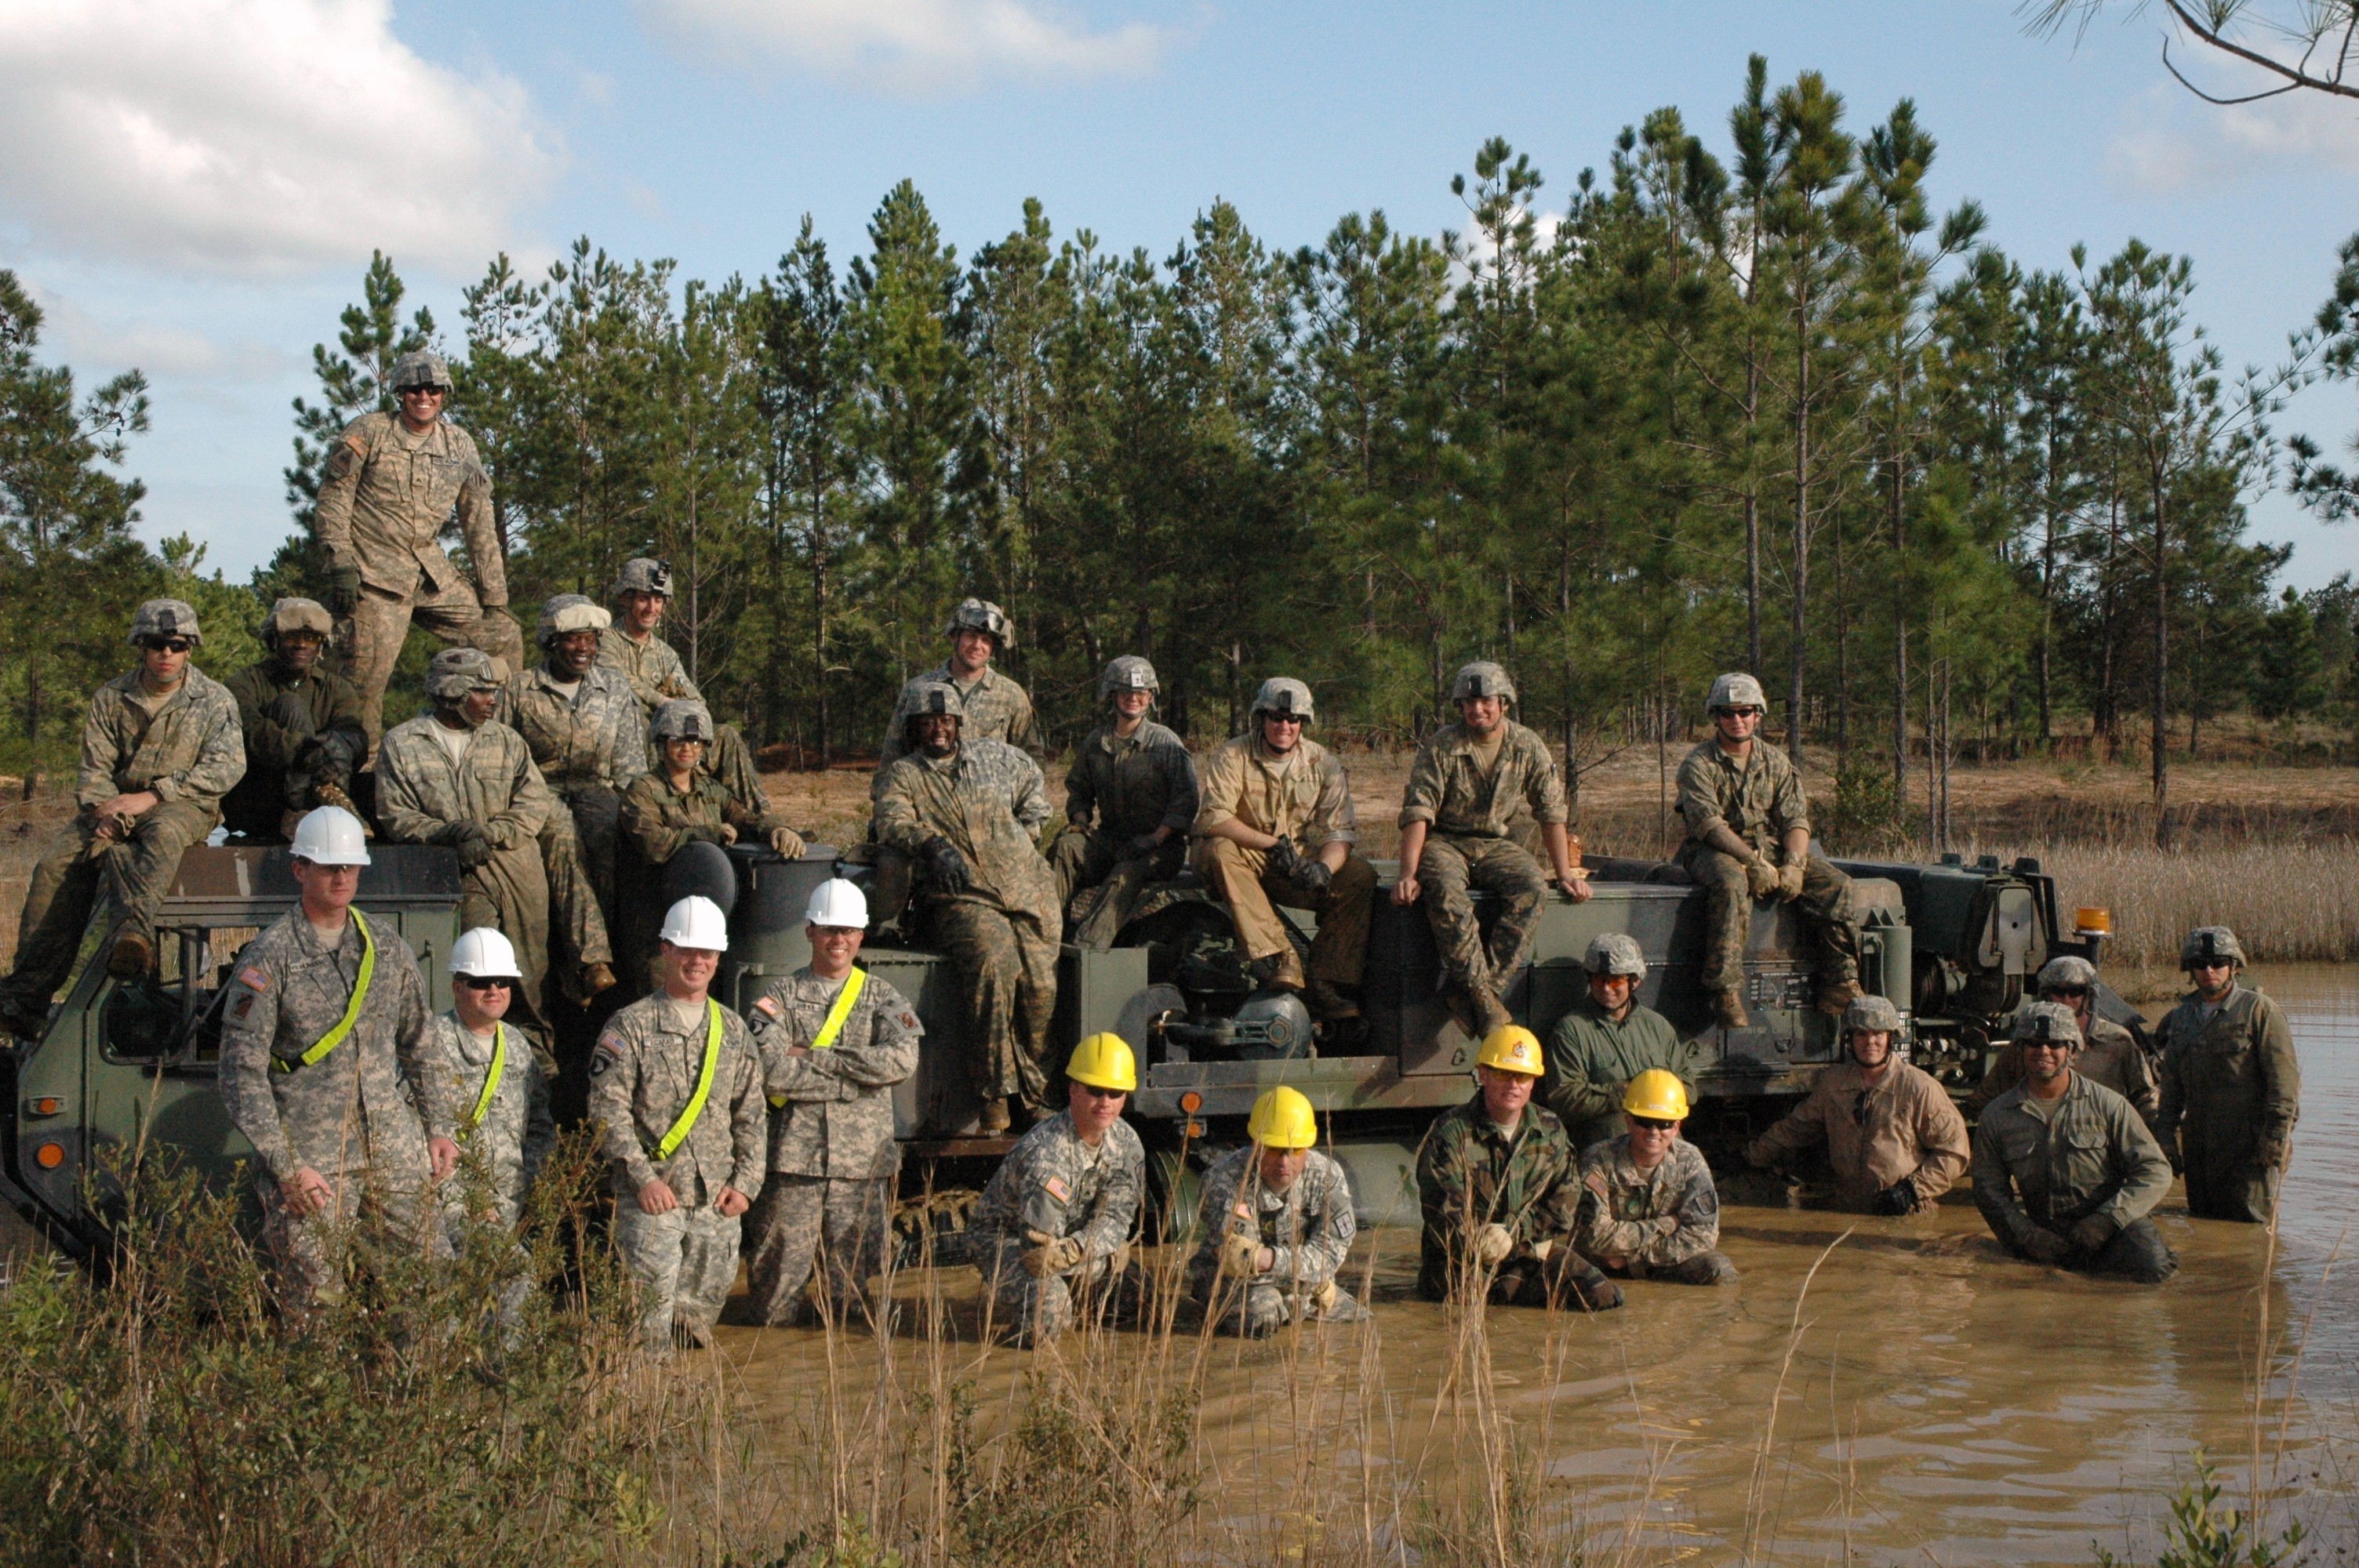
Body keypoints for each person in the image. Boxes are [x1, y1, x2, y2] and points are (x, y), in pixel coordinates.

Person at [215, 806, 456, 1311]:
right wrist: (286, 1167)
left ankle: (414, 1391)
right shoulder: (269, 959)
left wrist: (438, 1127)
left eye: (349, 865)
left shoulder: (386, 948)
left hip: (392, 1153)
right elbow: (242, 1075)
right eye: (328, 866)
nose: (341, 876)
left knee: (429, 1286)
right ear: (300, 869)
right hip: (313, 1166)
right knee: (316, 1304)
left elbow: (420, 1042)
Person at [0, 600, 245, 1036]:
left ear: (190, 649)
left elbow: (226, 768)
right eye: (156, 644)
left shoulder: (213, 700)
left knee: (164, 837)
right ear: (140, 647)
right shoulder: (112, 697)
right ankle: (27, 995)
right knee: (54, 866)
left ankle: (132, 939)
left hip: (182, 803)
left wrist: (154, 796)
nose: (166, 654)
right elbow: (94, 770)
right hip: (112, 806)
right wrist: (106, 812)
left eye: (176, 644)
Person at [376, 648, 616, 1051]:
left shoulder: (507, 741)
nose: (493, 701)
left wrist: (490, 833)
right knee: (481, 974)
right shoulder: (403, 743)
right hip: (456, 871)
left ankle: (539, 1071)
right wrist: (449, 833)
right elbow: (395, 815)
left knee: (530, 977)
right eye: (482, 692)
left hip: (516, 867)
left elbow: (532, 803)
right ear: (453, 692)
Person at [311, 348, 522, 758]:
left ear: (445, 394)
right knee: (363, 685)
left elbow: (478, 520)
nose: (423, 397)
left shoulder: (458, 444)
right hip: (373, 578)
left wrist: (494, 597)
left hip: (430, 577)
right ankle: (361, 773)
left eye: (433, 389)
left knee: (503, 636)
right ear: (399, 393)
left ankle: (495, 747)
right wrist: (339, 562)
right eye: (413, 389)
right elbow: (333, 501)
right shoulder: (368, 432)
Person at [872, 681, 1060, 1133]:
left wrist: (1029, 833)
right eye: (928, 723)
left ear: (958, 724)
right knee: (994, 966)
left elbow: (1036, 789)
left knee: (1040, 989)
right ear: (915, 729)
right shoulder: (906, 774)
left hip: (1027, 888)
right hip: (963, 894)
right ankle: (996, 1092)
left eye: (946, 721)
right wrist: (931, 843)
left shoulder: (995, 758)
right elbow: (891, 818)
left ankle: (1037, 1098)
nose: (938, 730)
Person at [589, 895, 767, 1352]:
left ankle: (687, 1420)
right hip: (653, 1207)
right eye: (686, 950)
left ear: (718, 958)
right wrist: (641, 1179)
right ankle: (642, 1418)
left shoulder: (732, 1031)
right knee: (645, 1338)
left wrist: (746, 1184)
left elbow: (751, 1114)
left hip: (716, 1209)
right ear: (666, 950)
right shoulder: (629, 1026)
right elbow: (607, 1112)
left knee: (695, 1335)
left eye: (706, 952)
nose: (697, 961)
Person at [743, 878, 921, 1328]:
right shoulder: (777, 998)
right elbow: (766, 1068)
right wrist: (857, 1079)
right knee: (773, 1303)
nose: (837, 940)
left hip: (860, 1168)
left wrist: (813, 1057)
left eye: (847, 931)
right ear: (810, 932)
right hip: (792, 1166)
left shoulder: (883, 997)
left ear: (861, 935)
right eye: (828, 929)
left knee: (850, 1308)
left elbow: (902, 1060)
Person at [1394, 662, 1590, 1035]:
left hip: (1496, 843)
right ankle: (1484, 1000)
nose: (1476, 709)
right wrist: (1408, 874)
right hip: (1446, 842)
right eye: (1468, 702)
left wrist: (1564, 873)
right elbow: (1418, 810)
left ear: (1503, 703)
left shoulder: (1527, 745)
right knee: (1448, 895)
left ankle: (1478, 994)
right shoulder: (1442, 746)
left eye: (1485, 701)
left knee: (1532, 886)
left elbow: (1551, 812)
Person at [1674, 672, 1863, 1029]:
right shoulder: (1698, 764)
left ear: (1758, 715)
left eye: (1745, 711)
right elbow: (1709, 825)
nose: (1737, 720)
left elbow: (1795, 820)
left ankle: (1840, 982)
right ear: (1716, 717)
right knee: (1731, 883)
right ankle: (1725, 990)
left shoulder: (1775, 762)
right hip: (1711, 850)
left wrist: (1794, 864)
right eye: (1728, 713)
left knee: (1837, 885)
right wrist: (1749, 861)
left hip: (1770, 849)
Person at [1193, 677, 1377, 1026]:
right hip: (1245, 855)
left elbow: (1340, 830)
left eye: (1293, 720)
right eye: (1277, 718)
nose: (1285, 727)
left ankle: (1325, 982)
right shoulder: (1235, 754)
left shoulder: (1321, 763)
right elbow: (1215, 818)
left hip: (1293, 861)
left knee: (1359, 876)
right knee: (1218, 849)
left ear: (1303, 724)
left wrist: (1322, 869)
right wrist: (1272, 845)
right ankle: (1282, 955)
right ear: (1261, 718)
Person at [1416, 1025, 1623, 1312]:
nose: (1513, 1084)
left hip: (1528, 1251)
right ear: (1484, 1074)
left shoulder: (1550, 1130)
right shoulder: (1450, 1133)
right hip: (1467, 1260)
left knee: (1601, 1295)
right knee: (1471, 1304)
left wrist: (1515, 1235)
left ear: (1533, 1081)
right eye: (1503, 1073)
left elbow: (1564, 1207)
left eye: (1523, 1076)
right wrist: (1486, 1242)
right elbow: (1445, 1219)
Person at [1973, 1001, 2177, 1282]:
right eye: (2033, 1043)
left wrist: (2107, 1220)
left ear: (2071, 1051)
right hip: (2044, 1232)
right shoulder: (1997, 1116)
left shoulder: (2109, 1105)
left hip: (2113, 1225)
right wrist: (2028, 1236)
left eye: (2055, 1043)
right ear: (2020, 1050)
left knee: (2153, 1268)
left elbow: (2155, 1171)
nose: (2043, 1051)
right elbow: (1988, 1190)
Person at [965, 1033, 1145, 1347]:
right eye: (1095, 1090)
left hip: (1072, 1243)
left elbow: (1115, 1219)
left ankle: (1079, 1296)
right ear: (1074, 1089)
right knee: (1052, 1310)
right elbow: (1041, 1256)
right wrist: (1103, 1256)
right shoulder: (1046, 1154)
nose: (1105, 1102)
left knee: (1140, 1296)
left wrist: (1082, 1250)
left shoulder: (1126, 1144)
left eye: (1115, 1093)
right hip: (1006, 1242)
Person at [618, 699, 808, 983]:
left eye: (696, 743)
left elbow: (745, 819)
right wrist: (709, 833)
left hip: (707, 925)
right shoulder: (642, 791)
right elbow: (654, 846)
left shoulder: (709, 789)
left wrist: (776, 830)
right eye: (677, 741)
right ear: (661, 743)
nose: (687, 749)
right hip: (657, 927)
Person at [495, 593, 649, 929]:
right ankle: (589, 960)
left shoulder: (614, 688)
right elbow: (499, 759)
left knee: (612, 838)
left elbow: (629, 766)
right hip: (538, 794)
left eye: (590, 639)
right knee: (562, 842)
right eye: (573, 639)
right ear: (552, 642)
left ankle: (611, 943)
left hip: (597, 789)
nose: (583, 648)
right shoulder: (519, 691)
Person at [1743, 994, 1969, 1214]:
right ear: (1849, 1039)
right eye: (1861, 1034)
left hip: (1904, 1210)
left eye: (1878, 1034)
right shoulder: (1834, 1083)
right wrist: (1750, 1157)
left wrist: (1911, 1190)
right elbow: (1795, 1129)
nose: (1870, 1042)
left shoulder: (1918, 1087)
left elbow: (1955, 1153)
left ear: (1890, 1038)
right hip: (1847, 1209)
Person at [1183, 1086, 1368, 1336]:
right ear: (1256, 1144)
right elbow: (1239, 1262)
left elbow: (1329, 1257)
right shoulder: (1225, 1181)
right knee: (1264, 1316)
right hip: (1238, 1282)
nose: (1283, 1162)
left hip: (1305, 1284)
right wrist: (1308, 1278)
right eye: (1273, 1149)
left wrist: (1268, 1259)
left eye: (1294, 1151)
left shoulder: (1327, 1178)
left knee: (1362, 1320)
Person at [1050, 655, 1199, 950]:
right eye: (1126, 692)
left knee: (1125, 874)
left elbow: (1186, 800)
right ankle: (1047, 933)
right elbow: (1079, 789)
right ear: (1113, 695)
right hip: (1111, 839)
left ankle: (1087, 949)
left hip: (1160, 848)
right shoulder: (1096, 742)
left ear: (1150, 698)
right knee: (1066, 848)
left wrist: (1155, 839)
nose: (1134, 699)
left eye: (1141, 693)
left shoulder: (1165, 743)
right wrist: (1079, 822)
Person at [2154, 927, 2301, 1225]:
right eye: (2200, 964)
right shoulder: (2181, 1017)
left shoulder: (2259, 1011)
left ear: (2233, 966)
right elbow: (2171, 1086)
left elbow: (2284, 1085)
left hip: (2248, 1146)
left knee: (2251, 1228)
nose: (2209, 970)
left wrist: (2275, 1137)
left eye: (2218, 962)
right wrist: (2166, 1137)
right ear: (2189, 969)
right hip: (2198, 1144)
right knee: (2201, 1221)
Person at [596, 557, 767, 811]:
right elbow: (620, 682)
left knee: (725, 736)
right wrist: (664, 702)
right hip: (630, 742)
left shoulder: (665, 654)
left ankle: (760, 821)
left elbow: (695, 701)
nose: (651, 608)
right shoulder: (605, 641)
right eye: (644, 599)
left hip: (668, 740)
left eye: (658, 600)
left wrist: (683, 711)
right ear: (625, 599)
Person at [424, 926, 554, 1240]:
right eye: (481, 982)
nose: (494, 990)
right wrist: (462, 1199)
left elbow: (539, 1124)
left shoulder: (517, 1045)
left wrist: (534, 1187)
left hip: (516, 1206)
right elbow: (409, 1129)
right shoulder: (428, 1043)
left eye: (503, 981)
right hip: (456, 1208)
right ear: (458, 988)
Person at [221, 597, 367, 841]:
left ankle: (322, 806)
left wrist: (332, 749)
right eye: (292, 637)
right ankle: (310, 808)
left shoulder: (337, 688)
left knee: (347, 744)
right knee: (290, 706)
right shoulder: (244, 683)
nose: (301, 645)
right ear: (274, 640)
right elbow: (248, 730)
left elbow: (355, 735)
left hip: (323, 790)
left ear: (321, 645)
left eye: (309, 638)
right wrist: (303, 749)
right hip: (258, 799)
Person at [1574, 1070, 1739, 1286]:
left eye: (1664, 1124)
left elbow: (1703, 1235)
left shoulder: (1690, 1161)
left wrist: (1636, 1259)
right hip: (1604, 1264)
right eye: (1645, 1121)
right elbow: (1595, 1237)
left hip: (1655, 1259)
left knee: (1719, 1270)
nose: (1654, 1131)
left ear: (1676, 1127)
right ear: (1629, 1121)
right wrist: (1668, 1224)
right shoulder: (1597, 1160)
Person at [1968, 956, 2161, 1133]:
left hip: (2101, 1142)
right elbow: (1986, 1099)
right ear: (2047, 994)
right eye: (2059, 992)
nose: (2067, 1000)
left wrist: (2155, 1137)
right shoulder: (2028, 1045)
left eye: (2075, 992)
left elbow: (2144, 1095)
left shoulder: (2117, 1041)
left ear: (2087, 995)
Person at [871, 597, 1042, 794]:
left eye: (986, 640)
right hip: (927, 811)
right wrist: (884, 811)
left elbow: (1032, 759)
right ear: (955, 636)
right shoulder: (918, 690)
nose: (978, 646)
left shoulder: (1011, 695)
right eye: (971, 636)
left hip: (988, 815)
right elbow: (893, 757)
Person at [1545, 933, 1698, 1152]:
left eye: (1616, 980)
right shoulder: (1572, 1030)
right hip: (1608, 1156)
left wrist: (1652, 1094)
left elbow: (1689, 1090)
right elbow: (1564, 1099)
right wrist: (1625, 1092)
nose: (1606, 988)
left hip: (1665, 1151)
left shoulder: (1657, 1027)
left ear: (1635, 981)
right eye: (1599, 979)